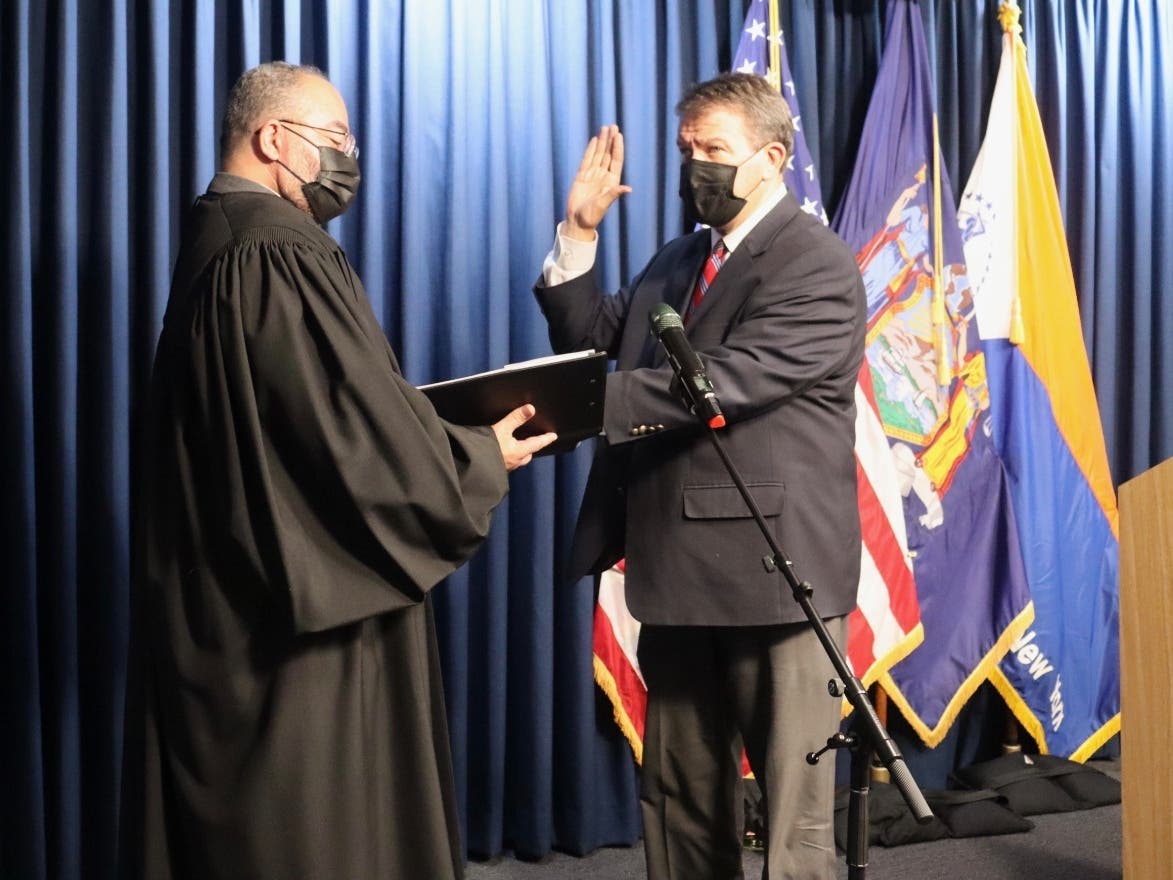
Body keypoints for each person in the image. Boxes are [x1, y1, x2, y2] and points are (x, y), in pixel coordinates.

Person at [121, 61, 555, 880]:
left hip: (218, 602)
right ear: (273, 139)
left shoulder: (213, 236)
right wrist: (475, 456)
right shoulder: (279, 251)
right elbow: (349, 443)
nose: (348, 156)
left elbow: (300, 417)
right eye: (335, 138)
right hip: (290, 624)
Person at [534, 73, 866, 879]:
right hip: (673, 568)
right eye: (687, 151)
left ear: (771, 157)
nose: (695, 168)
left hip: (773, 572)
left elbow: (721, 382)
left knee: (792, 824)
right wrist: (577, 232)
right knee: (679, 803)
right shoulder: (682, 256)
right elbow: (590, 333)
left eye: (713, 151)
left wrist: (564, 409)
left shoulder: (813, 264)